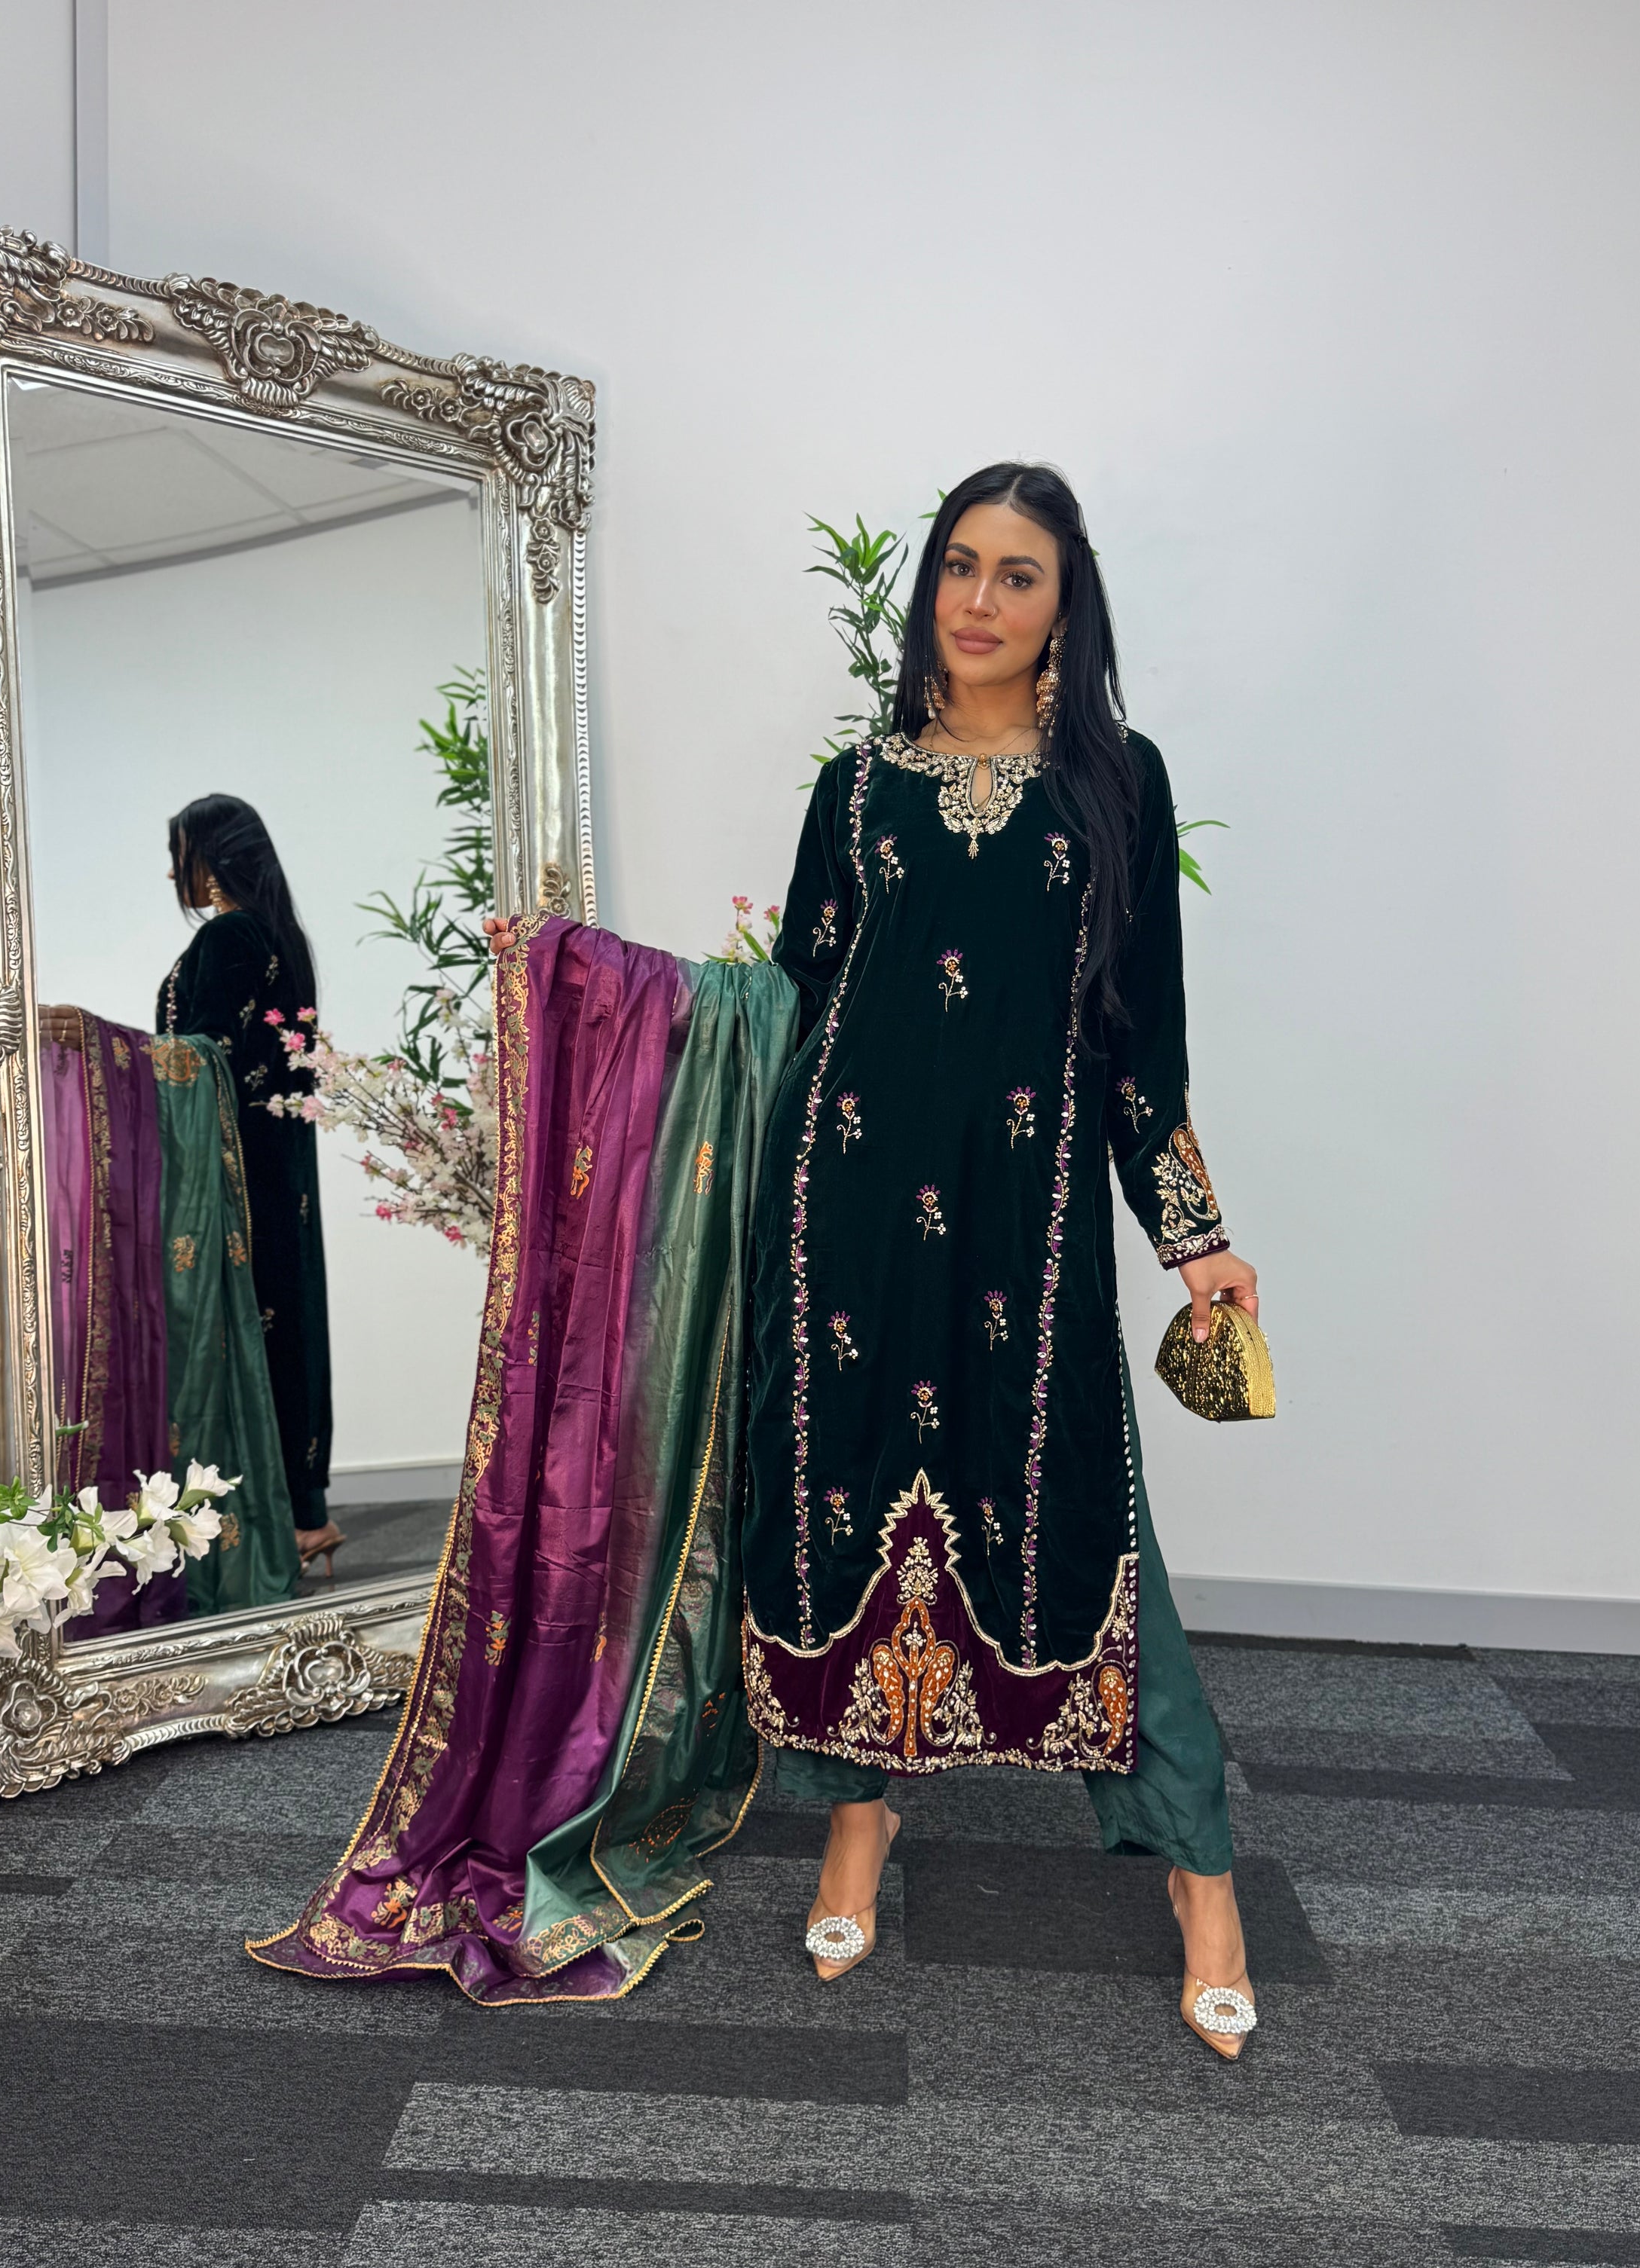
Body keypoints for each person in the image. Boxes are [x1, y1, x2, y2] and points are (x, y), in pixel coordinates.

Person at [497, 461, 1263, 2059]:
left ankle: (1204, 1880)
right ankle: (858, 1820)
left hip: (1027, 1223)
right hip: (840, 1213)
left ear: (1068, 606)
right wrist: (596, 990)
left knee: (1082, 1532)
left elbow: (1145, 1042)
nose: (979, 601)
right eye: (960, 567)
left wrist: (1195, 1238)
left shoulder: (1117, 786)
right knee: (842, 1515)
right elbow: (788, 1001)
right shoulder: (856, 791)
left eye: (1018, 575)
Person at [157, 795, 338, 1573]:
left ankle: (274, 1518)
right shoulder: (280, 935)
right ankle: (303, 1512)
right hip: (276, 1157)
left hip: (238, 1164)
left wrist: (101, 1047)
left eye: (179, 854)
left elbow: (200, 1053)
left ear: (213, 857)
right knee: (286, 1312)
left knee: (253, 1316)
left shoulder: (232, 934)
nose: (172, 872)